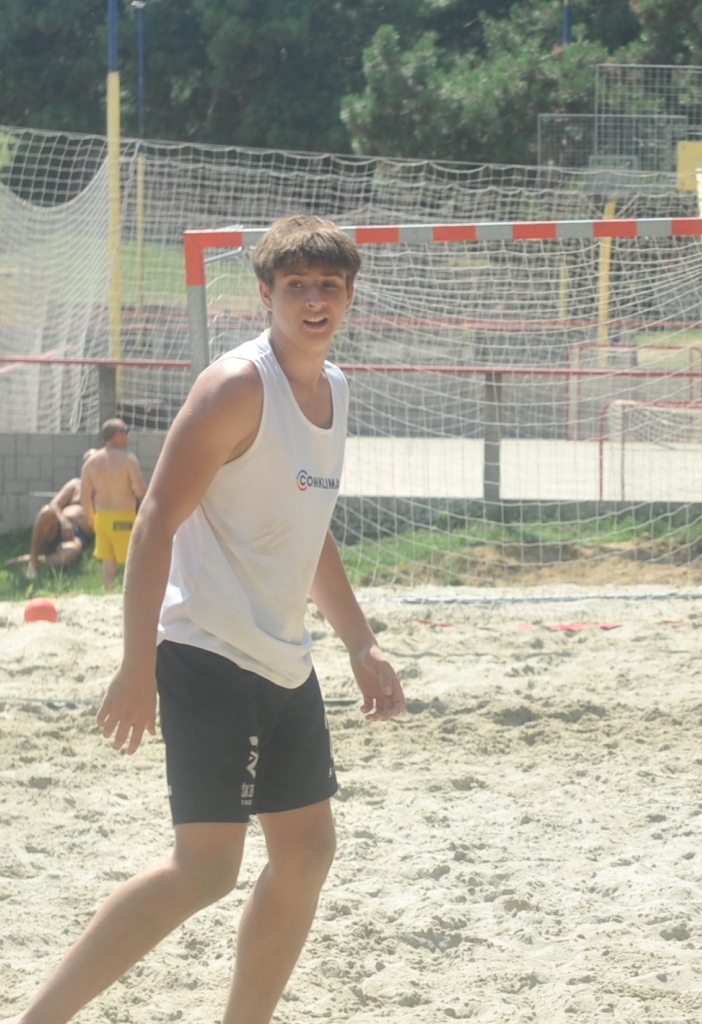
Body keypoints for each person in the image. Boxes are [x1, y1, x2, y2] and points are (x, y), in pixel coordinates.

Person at [2, 214, 406, 1024]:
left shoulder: (335, 390)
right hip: (207, 652)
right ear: (265, 295)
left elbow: (308, 531)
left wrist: (360, 642)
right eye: (297, 286)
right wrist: (136, 667)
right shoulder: (236, 387)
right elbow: (154, 521)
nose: (315, 300)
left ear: (350, 297)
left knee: (307, 852)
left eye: (329, 286)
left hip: (283, 659)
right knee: (207, 867)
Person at [80, 418, 148, 591]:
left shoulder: (91, 462)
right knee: (132, 561)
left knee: (108, 563)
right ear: (117, 435)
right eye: (126, 432)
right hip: (123, 517)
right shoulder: (128, 459)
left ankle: (107, 592)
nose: (128, 436)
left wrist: (92, 519)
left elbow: (84, 496)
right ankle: (132, 595)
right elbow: (140, 491)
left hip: (101, 518)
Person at [5, 460, 96, 579]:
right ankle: (33, 562)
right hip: (59, 525)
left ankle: (33, 560)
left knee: (67, 557)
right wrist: (64, 521)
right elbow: (54, 504)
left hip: (78, 535)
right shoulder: (75, 484)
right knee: (47, 511)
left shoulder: (107, 492)